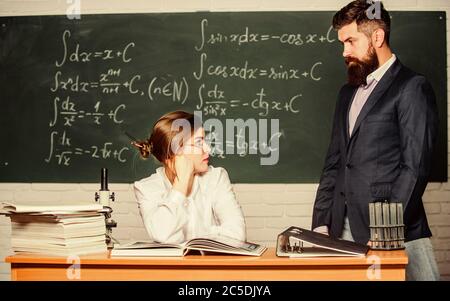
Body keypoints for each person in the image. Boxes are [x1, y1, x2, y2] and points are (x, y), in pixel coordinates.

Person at [311, 0, 440, 280]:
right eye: (341, 43)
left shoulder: (412, 87)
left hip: (396, 233)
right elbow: (335, 163)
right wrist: (321, 223)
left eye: (350, 41)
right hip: (342, 232)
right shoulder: (346, 93)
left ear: (377, 37)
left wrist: (384, 231)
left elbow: (414, 168)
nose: (344, 51)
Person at [132, 111, 246, 244]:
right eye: (199, 142)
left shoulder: (216, 177)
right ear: (174, 152)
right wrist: (181, 184)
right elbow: (162, 235)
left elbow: (237, 235)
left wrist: (193, 237)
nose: (208, 148)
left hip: (210, 264)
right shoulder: (146, 188)